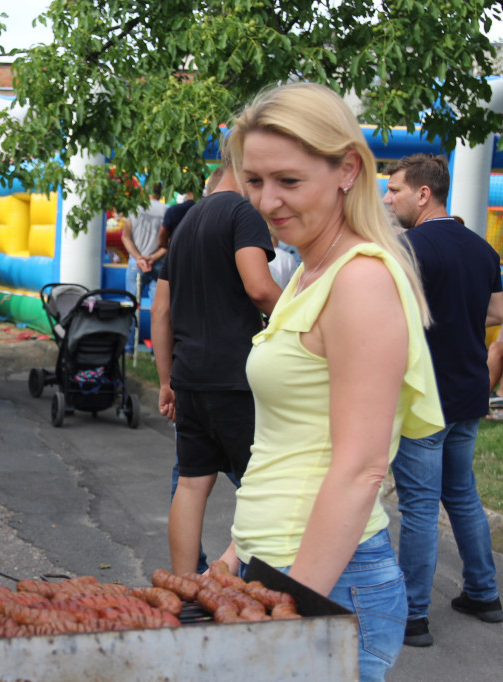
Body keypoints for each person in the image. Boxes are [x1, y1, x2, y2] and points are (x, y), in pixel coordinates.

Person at [217, 82, 444, 681]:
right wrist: (239, 551)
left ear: (347, 169)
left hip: (326, 583)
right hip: (277, 565)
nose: (266, 201)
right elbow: (292, 441)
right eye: (255, 180)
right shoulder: (307, 270)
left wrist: (293, 604)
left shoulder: (359, 280)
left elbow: (361, 467)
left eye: (288, 181)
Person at [382, 153, 503, 646]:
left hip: (423, 398)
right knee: (462, 496)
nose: (388, 199)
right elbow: (496, 309)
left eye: (394, 190)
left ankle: (413, 616)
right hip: (470, 390)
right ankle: (484, 593)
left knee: (418, 505)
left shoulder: (407, 248)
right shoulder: (482, 249)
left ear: (423, 193)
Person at [151, 161, 282, 578]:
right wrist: (308, 318)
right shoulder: (243, 214)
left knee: (191, 485)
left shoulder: (186, 222)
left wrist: (166, 380)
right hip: (237, 378)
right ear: (246, 175)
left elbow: (161, 310)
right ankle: (246, 584)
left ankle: (185, 587)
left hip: (189, 378)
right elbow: (260, 287)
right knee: (263, 489)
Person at [120, 185, 167, 353]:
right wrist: (153, 258)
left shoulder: (134, 209)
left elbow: (125, 237)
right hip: (159, 263)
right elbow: (169, 243)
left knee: (131, 305)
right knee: (159, 309)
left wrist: (139, 258)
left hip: (136, 263)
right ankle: (157, 350)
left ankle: (128, 348)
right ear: (161, 193)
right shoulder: (166, 210)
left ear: (145, 192)